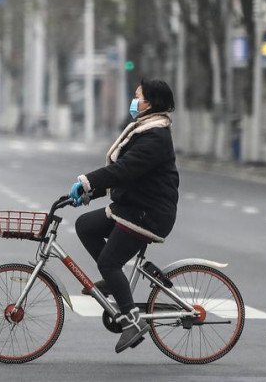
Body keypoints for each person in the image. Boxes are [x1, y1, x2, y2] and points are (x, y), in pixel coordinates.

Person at [69, 79, 179, 353]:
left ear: (149, 104)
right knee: (86, 225)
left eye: (137, 96)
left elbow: (124, 170)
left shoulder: (155, 137)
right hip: (133, 206)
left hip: (148, 214)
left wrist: (86, 182)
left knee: (108, 262)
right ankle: (113, 281)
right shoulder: (145, 130)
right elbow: (125, 176)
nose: (133, 100)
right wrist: (88, 194)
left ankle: (132, 321)